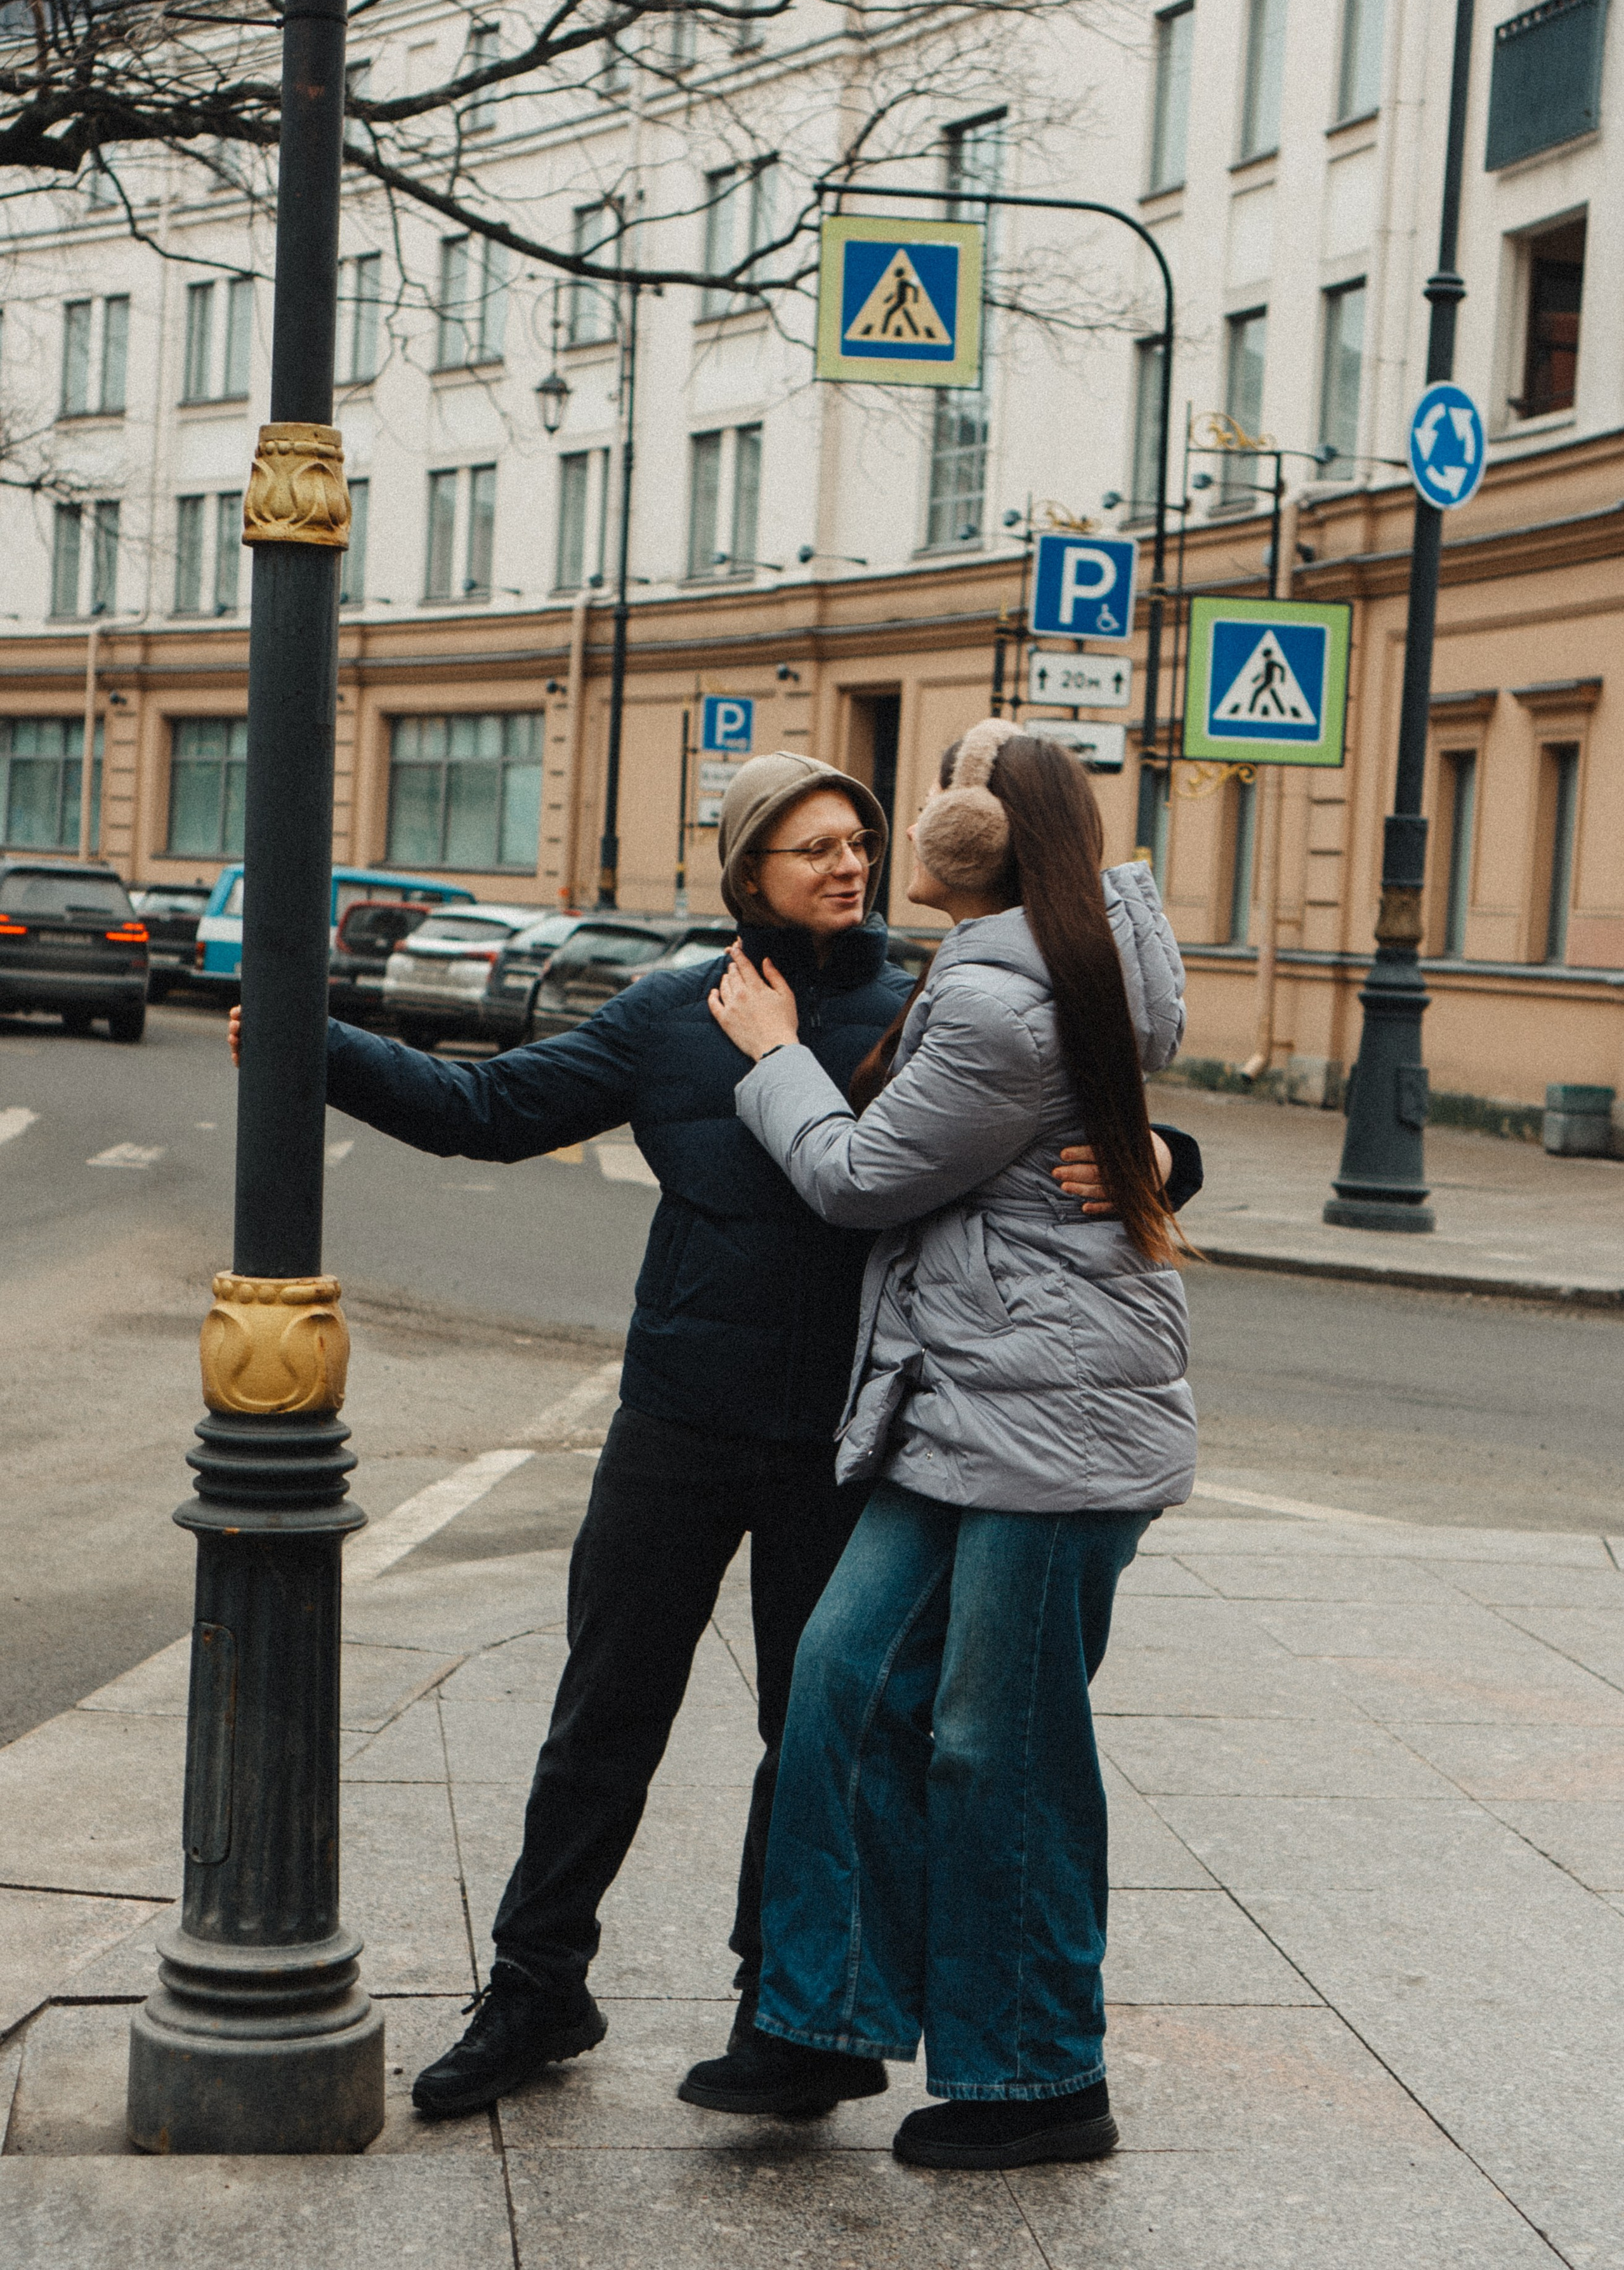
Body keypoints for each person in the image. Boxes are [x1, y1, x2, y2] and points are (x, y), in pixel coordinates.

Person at [226, 749, 1202, 2122]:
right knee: (601, 1718)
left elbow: (1045, 1106)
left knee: (807, 1729)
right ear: (746, 873)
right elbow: (489, 1113)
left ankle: (784, 2014)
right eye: (811, 848)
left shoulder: (923, 998)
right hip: (678, 1419)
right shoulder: (676, 1012)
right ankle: (534, 1986)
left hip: (847, 1438)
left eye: (859, 840)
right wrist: (311, 1044)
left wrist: (1167, 1157)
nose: (848, 865)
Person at [679, 719, 1198, 2171]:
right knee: (846, 1678)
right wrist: (1159, 1154)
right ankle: (821, 2017)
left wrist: (775, 1057)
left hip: (1052, 1424)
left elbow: (856, 1178)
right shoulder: (1049, 957)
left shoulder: (992, 994)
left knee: (1000, 1745)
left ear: (989, 835)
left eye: (949, 789)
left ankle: (1042, 2074)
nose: (917, 820)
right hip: (960, 1406)